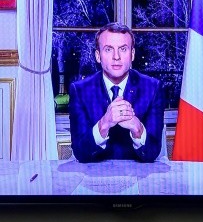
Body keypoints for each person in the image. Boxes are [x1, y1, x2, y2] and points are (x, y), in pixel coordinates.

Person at [68, 22, 166, 163]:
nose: (116, 57)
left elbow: (152, 153)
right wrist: (104, 123)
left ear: (132, 54)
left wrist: (137, 128)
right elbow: (81, 153)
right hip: (93, 178)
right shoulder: (80, 90)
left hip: (141, 177)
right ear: (98, 55)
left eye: (123, 49)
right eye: (108, 49)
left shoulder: (152, 88)